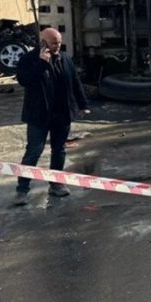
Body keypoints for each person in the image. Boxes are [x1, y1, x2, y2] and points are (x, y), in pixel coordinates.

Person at [14, 28, 90, 206]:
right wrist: (41, 63)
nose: (58, 45)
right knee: (34, 151)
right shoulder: (28, 59)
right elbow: (24, 80)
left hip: (61, 113)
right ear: (43, 42)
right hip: (38, 115)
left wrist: (83, 104)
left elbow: (75, 82)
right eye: (54, 42)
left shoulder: (65, 58)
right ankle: (22, 190)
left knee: (59, 149)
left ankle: (56, 184)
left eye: (59, 42)